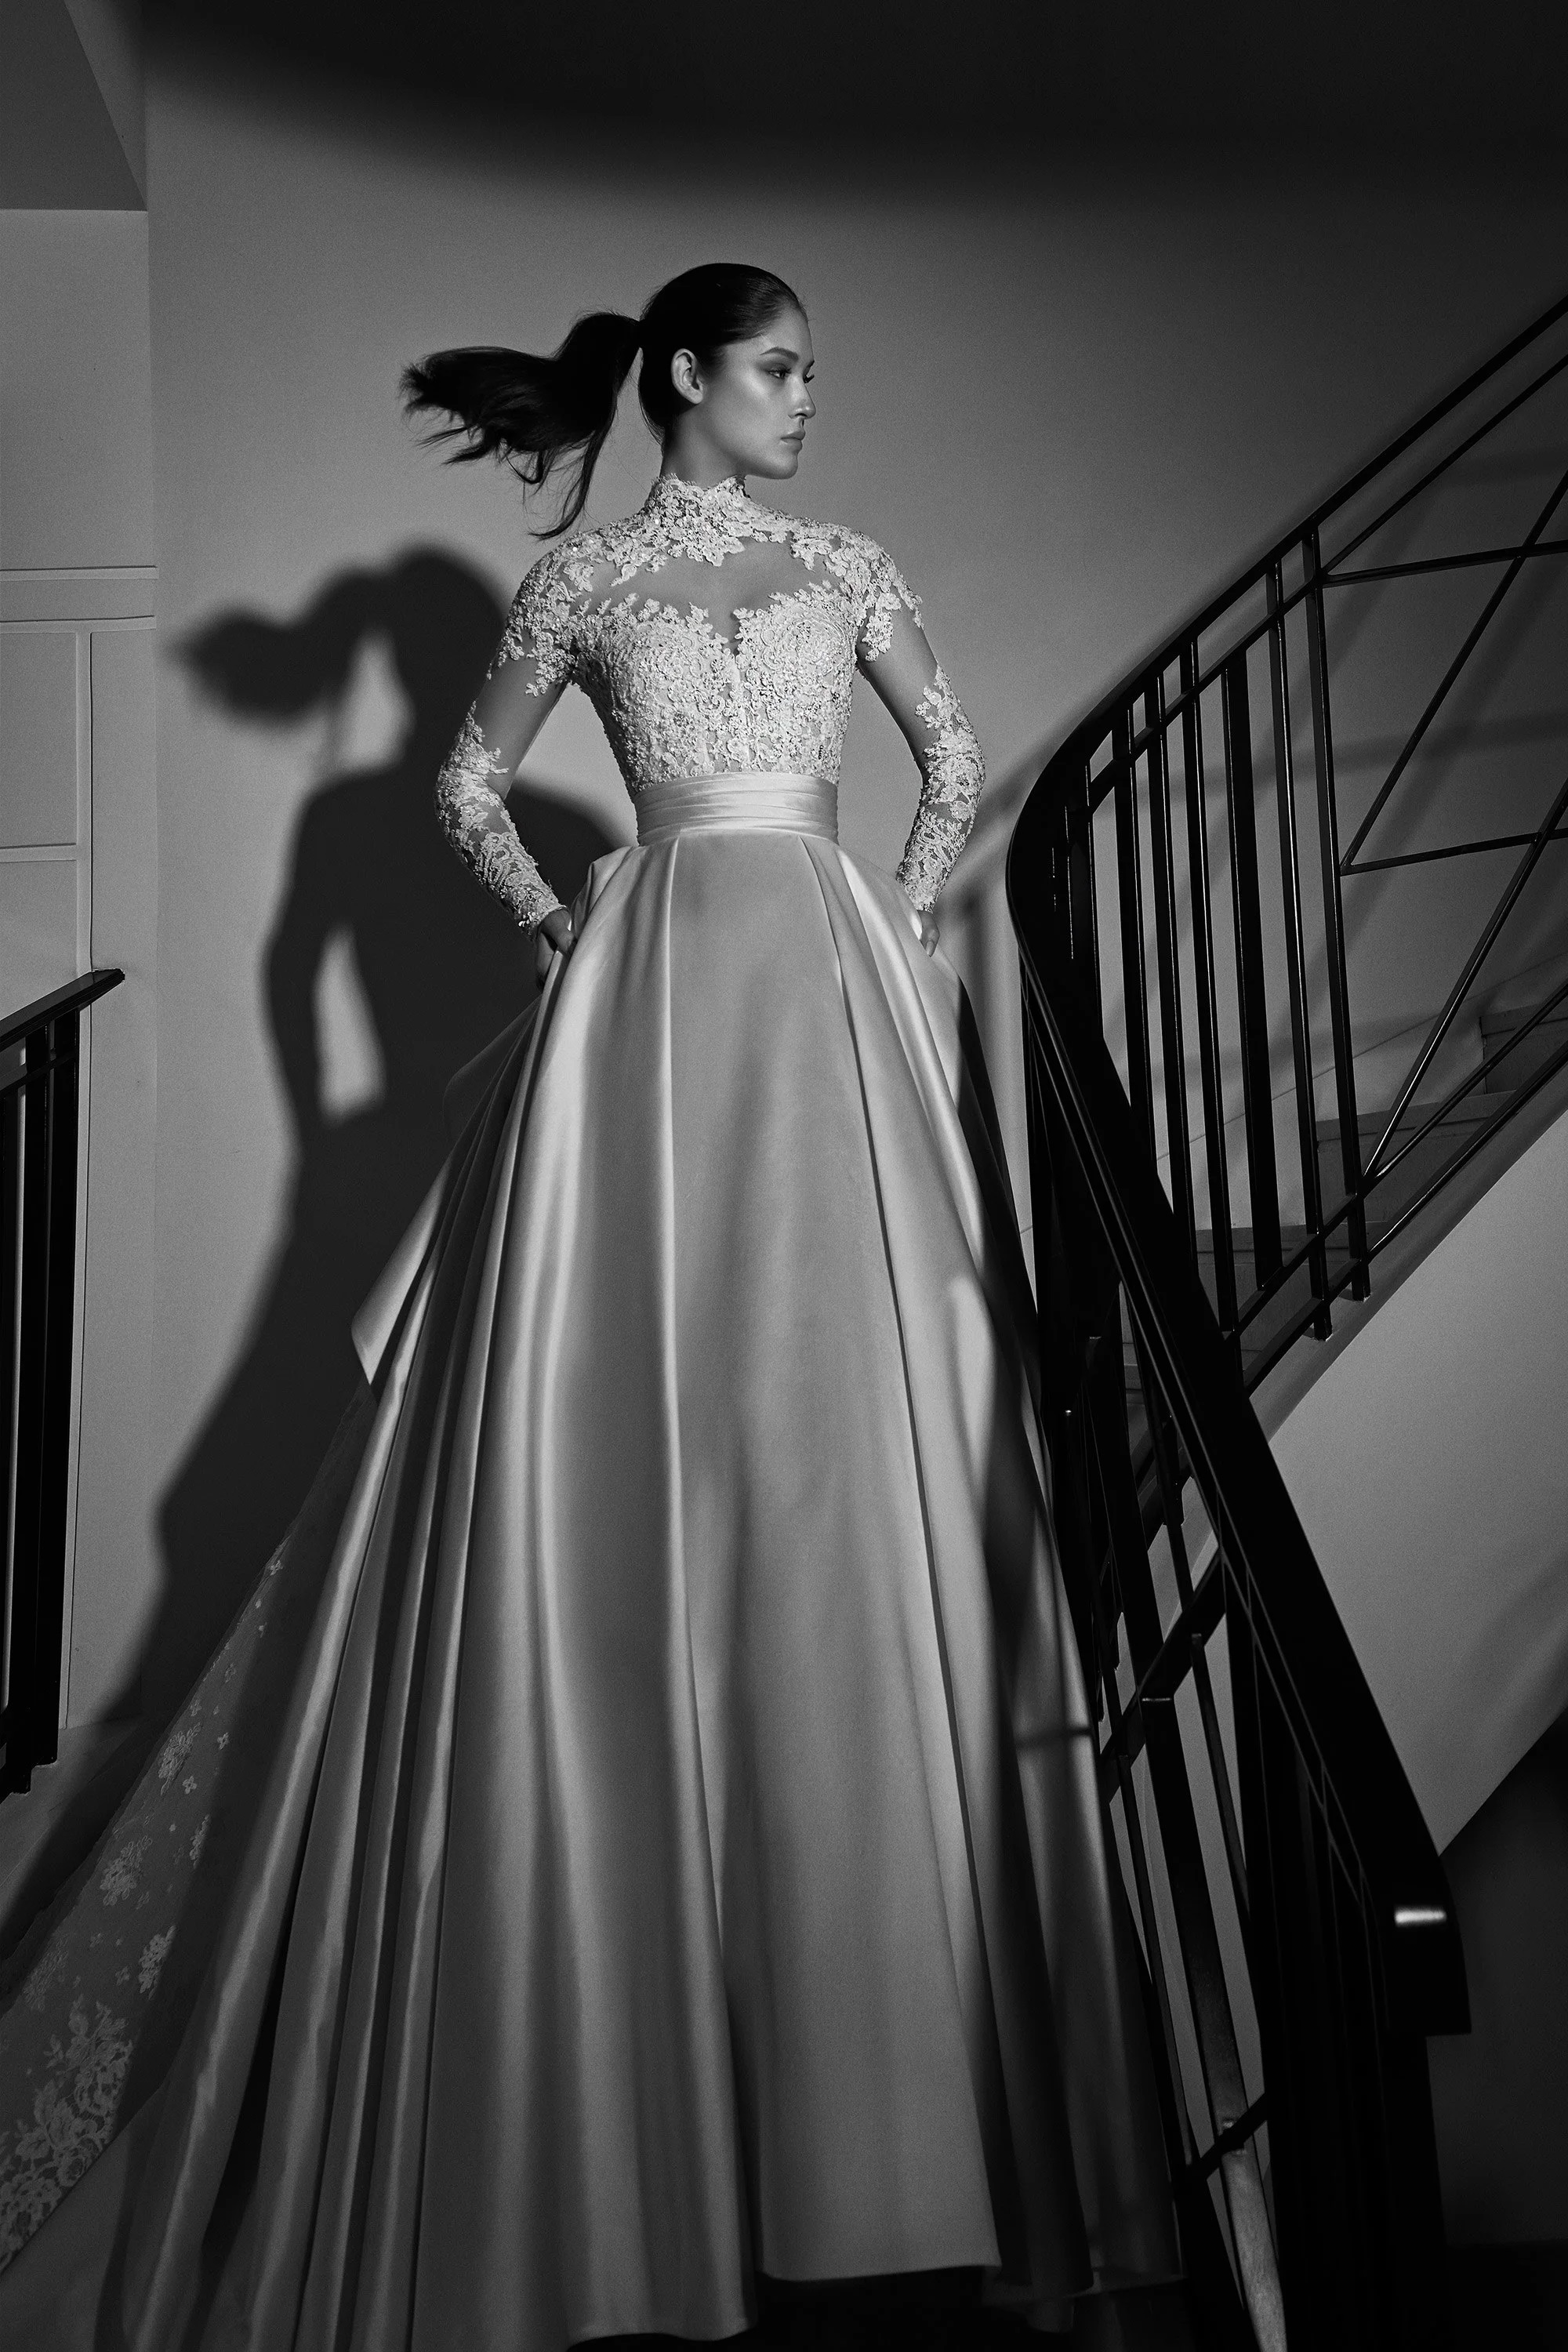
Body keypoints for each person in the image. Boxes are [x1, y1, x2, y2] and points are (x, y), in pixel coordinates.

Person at [0, 263, 1175, 2348]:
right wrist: (574, 932)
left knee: (853, 1450)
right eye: (780, 370)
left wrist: (889, 929)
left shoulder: (845, 564)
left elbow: (956, 756)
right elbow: (468, 789)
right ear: (686, 377)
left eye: (814, 373)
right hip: (648, 1017)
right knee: (630, 1454)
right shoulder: (585, 587)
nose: (807, 401)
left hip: (817, 996)